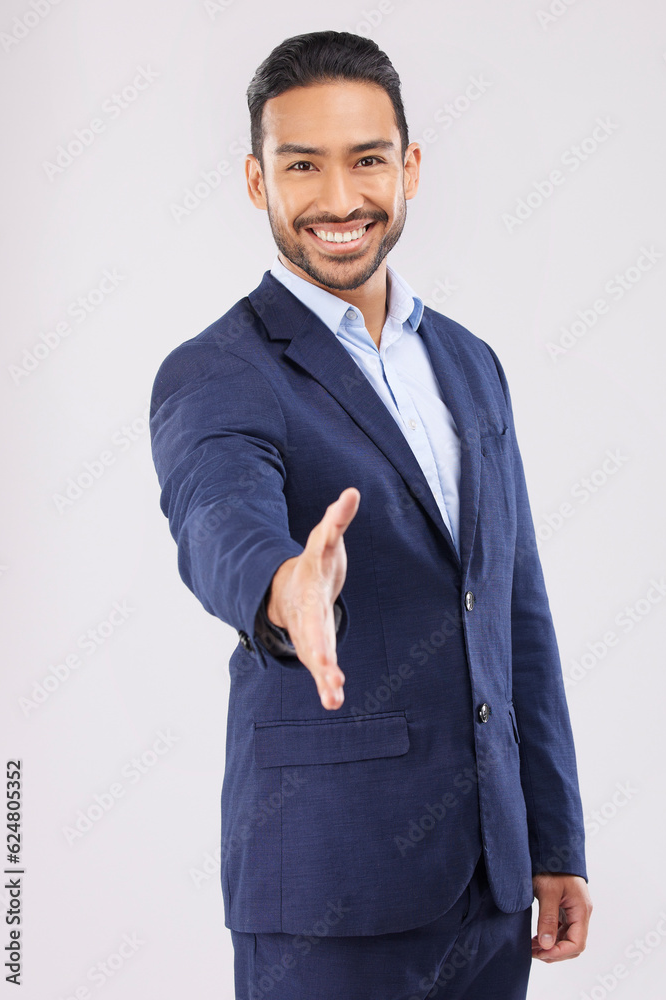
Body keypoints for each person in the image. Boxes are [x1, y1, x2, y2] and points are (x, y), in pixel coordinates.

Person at [149, 29, 592, 1000]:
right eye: (302, 164)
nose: (339, 199)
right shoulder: (219, 370)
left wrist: (552, 837)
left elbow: (515, 610)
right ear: (258, 181)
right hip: (329, 887)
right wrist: (284, 588)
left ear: (411, 167)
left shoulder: (470, 363)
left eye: (367, 159)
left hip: (490, 887)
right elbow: (216, 511)